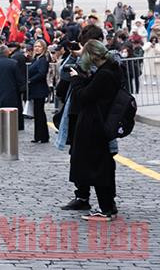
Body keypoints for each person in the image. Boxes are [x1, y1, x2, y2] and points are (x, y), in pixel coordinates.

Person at [68, 40, 121, 221]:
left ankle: (105, 208)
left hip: (94, 125)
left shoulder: (104, 74)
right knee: (102, 165)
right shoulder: (112, 69)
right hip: (101, 124)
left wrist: (76, 80)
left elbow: (84, 96)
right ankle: (108, 206)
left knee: (97, 167)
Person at [0, 44, 22, 144]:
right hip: (10, 94)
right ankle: (8, 135)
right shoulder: (13, 63)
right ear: (7, 52)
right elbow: (19, 79)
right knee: (9, 117)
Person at [28, 40, 50, 143]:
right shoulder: (35, 59)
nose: (37, 48)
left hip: (40, 90)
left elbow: (42, 73)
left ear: (43, 48)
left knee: (40, 113)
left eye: (39, 46)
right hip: (35, 89)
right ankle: (38, 136)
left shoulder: (43, 60)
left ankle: (43, 136)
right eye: (35, 46)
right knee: (37, 114)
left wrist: (30, 80)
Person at [8, 42, 27, 130]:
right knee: (19, 104)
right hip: (21, 83)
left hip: (16, 84)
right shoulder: (20, 55)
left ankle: (18, 123)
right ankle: (20, 124)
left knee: (17, 105)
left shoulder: (15, 57)